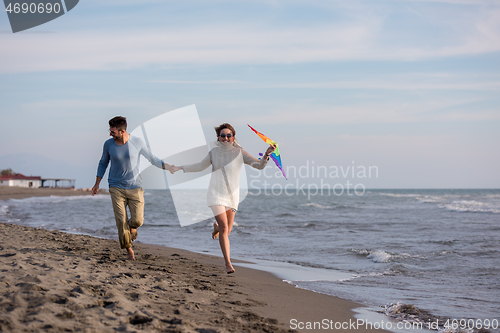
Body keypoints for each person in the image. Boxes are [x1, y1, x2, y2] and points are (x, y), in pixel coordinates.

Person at [170, 123, 276, 273]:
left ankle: (216, 228)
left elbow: (258, 166)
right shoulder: (213, 152)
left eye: (228, 135)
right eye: (222, 135)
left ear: (233, 137)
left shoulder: (239, 152)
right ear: (218, 137)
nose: (225, 138)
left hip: (232, 196)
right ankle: (228, 263)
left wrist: (267, 154)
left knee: (226, 231)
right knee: (225, 228)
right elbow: (200, 166)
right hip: (215, 193)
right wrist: (180, 167)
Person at [92, 116, 171, 260]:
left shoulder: (137, 142)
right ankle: (129, 251)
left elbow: (152, 158)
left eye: (113, 131)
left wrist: (168, 166)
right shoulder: (108, 144)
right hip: (116, 186)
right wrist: (97, 183)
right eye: (110, 131)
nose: (110, 134)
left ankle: (133, 227)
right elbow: (103, 162)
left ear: (122, 131)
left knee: (138, 220)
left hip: (135, 186)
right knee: (121, 220)